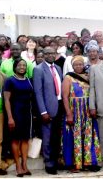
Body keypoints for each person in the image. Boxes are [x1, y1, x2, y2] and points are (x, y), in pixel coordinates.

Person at [61, 55, 102, 172]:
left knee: (89, 136)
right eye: (76, 64)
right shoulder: (68, 77)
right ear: (72, 66)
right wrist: (68, 113)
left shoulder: (88, 76)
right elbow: (64, 96)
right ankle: (74, 163)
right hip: (74, 111)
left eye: (80, 64)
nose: (78, 66)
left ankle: (89, 162)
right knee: (75, 137)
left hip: (87, 111)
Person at [33, 47, 63, 175]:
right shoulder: (38, 69)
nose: (50, 55)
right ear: (43, 55)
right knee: (47, 137)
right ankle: (48, 163)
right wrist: (43, 112)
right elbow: (38, 92)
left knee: (56, 136)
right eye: (47, 53)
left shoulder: (58, 68)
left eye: (52, 53)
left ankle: (55, 161)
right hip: (47, 109)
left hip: (59, 105)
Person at [3, 58, 33, 177]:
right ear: (15, 67)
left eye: (24, 65)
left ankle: (25, 165)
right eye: (20, 65)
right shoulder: (10, 80)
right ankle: (18, 165)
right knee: (15, 139)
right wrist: (10, 117)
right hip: (15, 114)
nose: (22, 67)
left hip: (27, 113)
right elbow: (6, 100)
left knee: (25, 139)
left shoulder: (29, 80)